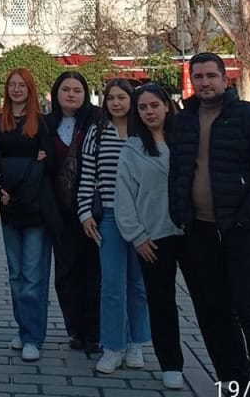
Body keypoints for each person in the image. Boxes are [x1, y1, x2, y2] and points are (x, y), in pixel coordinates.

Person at [169, 52, 250, 387]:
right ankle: (234, 382)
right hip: (200, 232)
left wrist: (248, 219)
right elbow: (178, 171)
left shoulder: (249, 117)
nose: (205, 82)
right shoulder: (185, 119)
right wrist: (181, 212)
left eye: (211, 76)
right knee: (214, 312)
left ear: (224, 78)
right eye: (199, 77)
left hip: (243, 233)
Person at [114, 83, 186, 389]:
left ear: (167, 106)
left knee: (210, 300)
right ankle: (171, 363)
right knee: (161, 301)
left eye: (154, 105)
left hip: (190, 232)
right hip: (153, 237)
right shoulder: (132, 149)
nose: (149, 112)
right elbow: (123, 198)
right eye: (142, 107)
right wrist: (137, 236)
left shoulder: (185, 142)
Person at [78, 79, 151, 374]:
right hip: (108, 217)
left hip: (142, 218)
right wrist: (84, 212)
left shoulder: (144, 133)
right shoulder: (97, 133)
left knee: (138, 284)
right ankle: (112, 346)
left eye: (122, 97)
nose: (116, 103)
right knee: (111, 285)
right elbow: (87, 175)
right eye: (111, 98)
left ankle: (137, 343)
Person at [0, 69, 59, 362]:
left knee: (33, 276)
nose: (17, 89)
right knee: (16, 274)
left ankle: (34, 336)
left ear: (30, 89)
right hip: (8, 206)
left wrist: (28, 168)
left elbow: (48, 161)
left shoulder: (41, 122)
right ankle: (23, 328)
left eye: (22, 85)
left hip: (35, 208)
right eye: (12, 85)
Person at [46, 71, 101, 354]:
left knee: (94, 272)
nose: (71, 94)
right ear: (56, 93)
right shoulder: (47, 124)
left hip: (93, 211)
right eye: (65, 89)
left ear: (85, 93)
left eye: (77, 89)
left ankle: (95, 331)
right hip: (60, 211)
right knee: (66, 273)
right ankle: (75, 329)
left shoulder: (98, 121)